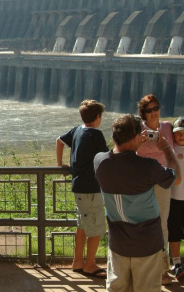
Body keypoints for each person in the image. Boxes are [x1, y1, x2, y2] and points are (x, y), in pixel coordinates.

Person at [94, 114, 181, 292]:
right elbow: (177, 178)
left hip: (118, 244)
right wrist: (165, 147)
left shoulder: (99, 161)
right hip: (147, 244)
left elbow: (118, 157)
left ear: (113, 136)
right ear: (136, 137)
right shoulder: (148, 166)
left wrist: (132, 143)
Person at [56, 100, 109, 278]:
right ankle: (90, 265)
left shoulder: (77, 130)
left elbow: (59, 141)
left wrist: (59, 164)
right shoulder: (96, 134)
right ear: (98, 117)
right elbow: (106, 158)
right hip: (91, 189)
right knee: (96, 227)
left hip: (78, 186)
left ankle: (77, 261)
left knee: (83, 225)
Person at [136, 94, 174, 285]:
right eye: (149, 110)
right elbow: (125, 151)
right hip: (142, 183)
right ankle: (142, 269)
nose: (154, 112)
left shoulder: (168, 127)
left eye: (156, 108)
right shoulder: (137, 130)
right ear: (143, 113)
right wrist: (139, 142)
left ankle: (162, 270)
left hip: (162, 182)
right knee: (141, 224)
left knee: (162, 225)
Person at [169, 116, 184, 281]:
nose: (181, 136)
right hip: (174, 198)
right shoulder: (170, 150)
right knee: (174, 232)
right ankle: (176, 262)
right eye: (178, 133)